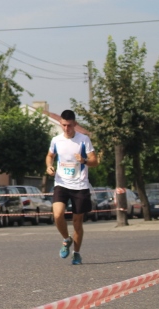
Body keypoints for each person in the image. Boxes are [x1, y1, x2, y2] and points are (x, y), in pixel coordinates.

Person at [46, 109, 98, 265]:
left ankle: (76, 253)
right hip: (61, 183)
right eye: (63, 125)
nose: (66, 128)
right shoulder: (56, 140)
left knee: (77, 222)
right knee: (57, 215)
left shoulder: (84, 140)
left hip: (80, 185)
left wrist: (84, 161)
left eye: (69, 125)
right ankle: (66, 239)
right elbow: (50, 156)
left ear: (74, 124)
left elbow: (95, 161)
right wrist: (49, 166)